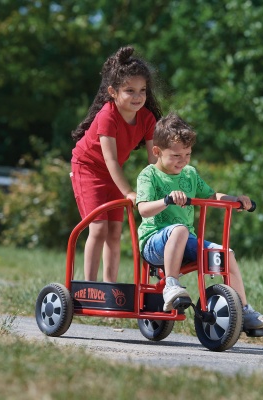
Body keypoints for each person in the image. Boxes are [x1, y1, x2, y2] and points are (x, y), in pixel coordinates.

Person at [136, 113, 263, 331]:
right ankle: (171, 285)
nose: (183, 160)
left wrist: (234, 199)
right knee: (179, 230)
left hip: (185, 241)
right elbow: (142, 209)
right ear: (157, 152)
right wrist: (166, 200)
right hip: (154, 244)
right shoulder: (149, 175)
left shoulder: (189, 174)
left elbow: (210, 196)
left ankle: (243, 310)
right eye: (176, 155)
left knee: (225, 254)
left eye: (188, 154)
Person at [71, 46, 162, 283]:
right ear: (112, 91)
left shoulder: (147, 119)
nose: (137, 96)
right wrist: (130, 192)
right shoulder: (108, 115)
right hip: (88, 169)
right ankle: (88, 286)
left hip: (113, 175)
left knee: (114, 233)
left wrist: (158, 188)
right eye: (129, 90)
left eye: (142, 90)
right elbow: (110, 160)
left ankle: (109, 287)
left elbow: (154, 161)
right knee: (98, 228)